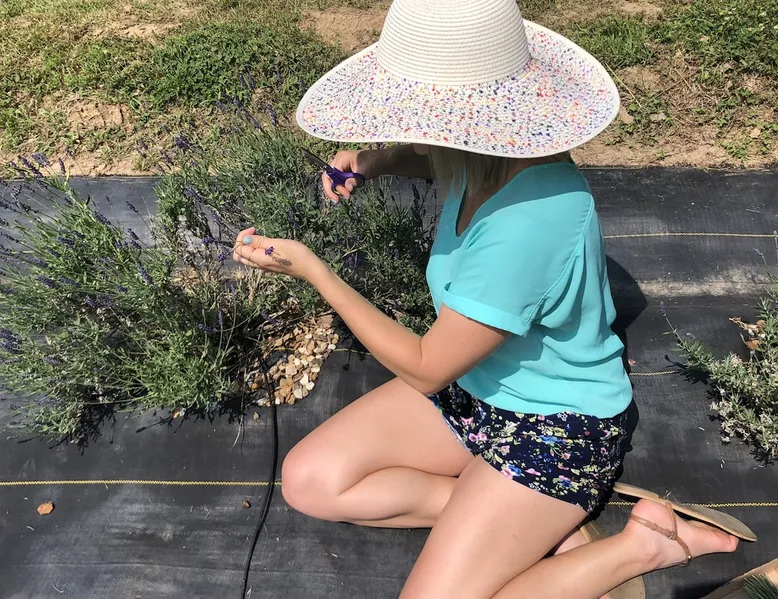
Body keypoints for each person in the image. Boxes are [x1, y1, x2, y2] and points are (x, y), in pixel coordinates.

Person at [231, 0, 756, 597]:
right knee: (310, 480)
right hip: (478, 388)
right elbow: (439, 164)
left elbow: (427, 367)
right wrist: (375, 161)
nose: (406, 127)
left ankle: (644, 545)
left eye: (413, 115)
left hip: (555, 427)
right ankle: (517, 525)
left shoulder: (529, 225)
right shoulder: (493, 156)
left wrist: (314, 271)